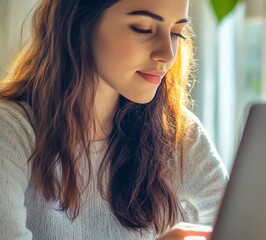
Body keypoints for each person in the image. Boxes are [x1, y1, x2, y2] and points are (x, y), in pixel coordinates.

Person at [0, 0, 228, 239]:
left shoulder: (177, 131)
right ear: (80, 22)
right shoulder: (11, 130)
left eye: (176, 34)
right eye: (142, 28)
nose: (166, 55)